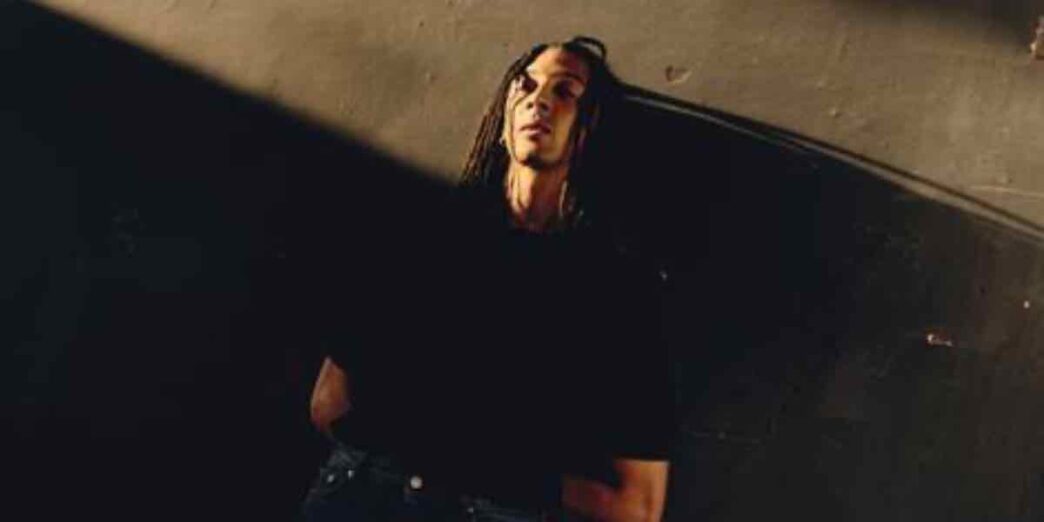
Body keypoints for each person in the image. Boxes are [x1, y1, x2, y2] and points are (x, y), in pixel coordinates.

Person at [300, 36, 676, 522]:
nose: (538, 101)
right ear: (503, 120)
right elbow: (329, 403)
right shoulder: (423, 235)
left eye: (565, 91)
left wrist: (495, 473)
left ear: (590, 129)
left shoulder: (616, 290)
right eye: (525, 86)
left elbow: (637, 505)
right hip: (367, 491)